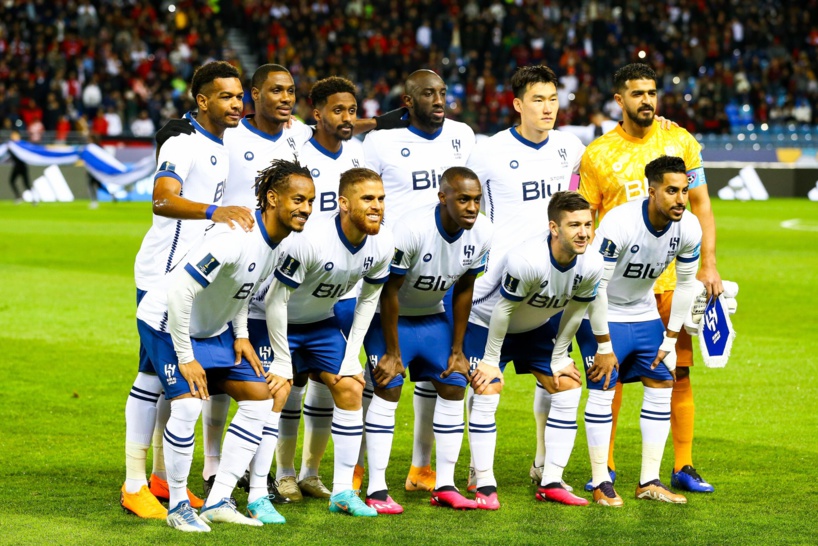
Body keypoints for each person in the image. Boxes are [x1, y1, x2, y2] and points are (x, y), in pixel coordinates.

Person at [135, 158, 315, 531]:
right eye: (298, 200)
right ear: (271, 198)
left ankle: (218, 499)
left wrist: (242, 336)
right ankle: (180, 504)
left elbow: (238, 292)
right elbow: (182, 290)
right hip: (167, 323)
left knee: (260, 401)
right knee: (187, 408)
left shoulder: (276, 244)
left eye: (310, 201)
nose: (306, 209)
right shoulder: (235, 238)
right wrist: (185, 357)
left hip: (212, 329)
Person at [579, 63, 722, 493]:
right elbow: (584, 216)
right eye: (637, 93)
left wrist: (708, 264)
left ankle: (681, 464)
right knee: (611, 372)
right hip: (616, 287)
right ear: (619, 99)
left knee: (676, 372)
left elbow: (701, 205)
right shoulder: (598, 154)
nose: (647, 100)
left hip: (668, 287)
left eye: (652, 92)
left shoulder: (680, 141)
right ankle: (605, 466)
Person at [121, 61, 253, 520]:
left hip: (188, 278)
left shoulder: (223, 144)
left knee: (159, 378)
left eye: (239, 95)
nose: (237, 103)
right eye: (226, 96)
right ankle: (134, 483)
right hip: (160, 275)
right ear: (202, 101)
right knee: (151, 377)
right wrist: (215, 210)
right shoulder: (183, 141)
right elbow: (161, 198)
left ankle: (158, 477)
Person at [465, 65, 586, 489]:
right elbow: (463, 202)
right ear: (517, 105)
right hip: (492, 294)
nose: (548, 107)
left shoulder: (569, 147)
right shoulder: (488, 152)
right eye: (537, 99)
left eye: (553, 99)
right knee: (481, 386)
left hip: (543, 296)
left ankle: (546, 471)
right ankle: (476, 475)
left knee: (565, 384)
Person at [362, 69, 476, 492]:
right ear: (407, 100)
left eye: (443, 92)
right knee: (362, 378)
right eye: (428, 93)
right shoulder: (380, 142)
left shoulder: (463, 135)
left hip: (440, 271)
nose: (439, 99)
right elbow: (361, 191)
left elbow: (474, 193)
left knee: (439, 376)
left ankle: (422, 468)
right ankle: (357, 471)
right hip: (385, 268)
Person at [362, 167, 492, 513]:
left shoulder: (484, 232)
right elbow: (389, 291)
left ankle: (445, 485)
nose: (472, 207)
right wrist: (392, 351)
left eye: (477, 200)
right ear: (443, 198)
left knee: (453, 382)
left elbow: (465, 288)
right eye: (463, 199)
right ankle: (376, 488)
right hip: (387, 317)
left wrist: (458, 350)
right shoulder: (412, 229)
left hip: (432, 315)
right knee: (388, 386)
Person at [464, 191, 606, 510]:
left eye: (588, 224)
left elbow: (575, 311)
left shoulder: (593, 263)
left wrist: (558, 357)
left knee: (568, 385)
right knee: (488, 390)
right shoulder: (527, 259)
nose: (583, 232)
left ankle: (550, 480)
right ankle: (483, 480)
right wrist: (489, 361)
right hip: (487, 324)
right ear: (554, 228)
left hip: (536, 324)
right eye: (574, 225)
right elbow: (502, 311)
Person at [264, 167, 393, 517]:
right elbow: (275, 301)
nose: (377, 206)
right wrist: (279, 358)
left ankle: (342, 493)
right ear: (343, 204)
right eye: (368, 198)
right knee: (276, 392)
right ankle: (269, 484)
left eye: (380, 198)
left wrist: (352, 356)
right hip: (277, 322)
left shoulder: (382, 242)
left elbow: (368, 300)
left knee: (351, 386)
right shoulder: (310, 239)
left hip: (320, 324)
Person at [583, 155, 702, 504]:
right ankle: (601, 480)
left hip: (644, 312)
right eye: (671, 191)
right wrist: (603, 344)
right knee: (603, 388)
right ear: (652, 191)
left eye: (684, 190)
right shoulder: (619, 222)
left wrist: (670, 336)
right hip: (602, 312)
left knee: (663, 382)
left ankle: (649, 480)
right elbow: (596, 287)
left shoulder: (689, 227)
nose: (680, 199)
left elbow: (684, 285)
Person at [279, 76, 367, 501]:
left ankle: (311, 472)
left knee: (331, 382)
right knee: (290, 383)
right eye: (338, 110)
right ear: (317, 114)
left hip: (344, 289)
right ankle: (283, 472)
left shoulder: (358, 156)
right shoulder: (296, 152)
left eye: (352, 110)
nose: (347, 118)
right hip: (296, 282)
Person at [7, 131, 35, 205]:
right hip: (16, 167)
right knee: (11, 181)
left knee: (26, 184)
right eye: (12, 135)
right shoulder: (11, 146)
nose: (13, 137)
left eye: (15, 135)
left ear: (18, 136)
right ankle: (18, 197)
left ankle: (34, 198)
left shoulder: (22, 145)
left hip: (23, 166)